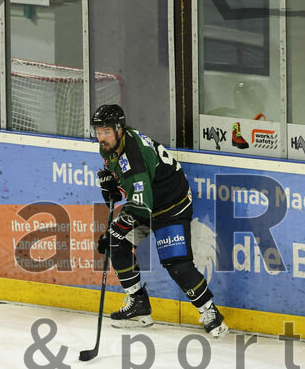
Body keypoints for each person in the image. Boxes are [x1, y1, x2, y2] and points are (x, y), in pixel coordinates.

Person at [92, 103, 228, 337]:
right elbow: (132, 192)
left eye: (106, 131)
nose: (101, 137)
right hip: (148, 203)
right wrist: (112, 188)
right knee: (118, 244)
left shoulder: (132, 154)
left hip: (170, 206)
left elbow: (141, 207)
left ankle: (210, 312)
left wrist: (114, 229)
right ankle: (139, 306)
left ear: (119, 129)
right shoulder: (112, 147)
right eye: (98, 131)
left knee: (177, 264)